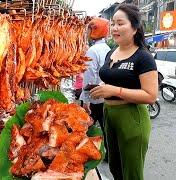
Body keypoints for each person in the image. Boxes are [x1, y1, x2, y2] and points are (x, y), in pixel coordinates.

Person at [90, 4, 158, 180]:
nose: (114, 28)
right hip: (109, 114)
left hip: (132, 117)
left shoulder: (143, 57)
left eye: (120, 23)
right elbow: (112, 79)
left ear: (134, 28)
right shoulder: (111, 53)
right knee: (115, 168)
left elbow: (151, 96)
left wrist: (114, 90)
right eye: (113, 24)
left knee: (131, 173)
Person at [79, 17, 110, 160]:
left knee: (84, 128)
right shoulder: (108, 49)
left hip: (94, 97)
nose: (88, 32)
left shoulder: (92, 50)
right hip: (105, 96)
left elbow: (89, 77)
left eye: (90, 29)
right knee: (105, 127)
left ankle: (84, 153)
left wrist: (86, 101)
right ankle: (108, 154)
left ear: (95, 30)